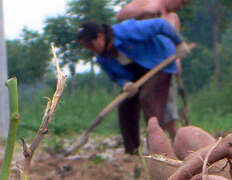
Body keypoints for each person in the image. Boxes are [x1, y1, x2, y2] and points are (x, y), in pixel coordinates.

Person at [77, 19, 191, 155]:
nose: (91, 49)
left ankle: (158, 151)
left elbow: (161, 24)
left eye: (91, 45)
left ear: (100, 36)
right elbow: (115, 76)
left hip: (159, 64)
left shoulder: (127, 31)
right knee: (125, 106)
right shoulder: (102, 58)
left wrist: (179, 42)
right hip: (135, 76)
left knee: (149, 100)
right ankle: (132, 152)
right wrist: (125, 83)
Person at [115, 0, 191, 134]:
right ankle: (144, 144)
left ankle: (174, 140)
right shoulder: (146, 3)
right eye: (181, 2)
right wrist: (144, 11)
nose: (181, 7)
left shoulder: (173, 18)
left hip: (167, 67)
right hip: (145, 66)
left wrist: (178, 64)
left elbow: (176, 44)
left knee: (169, 110)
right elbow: (120, 16)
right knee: (144, 103)